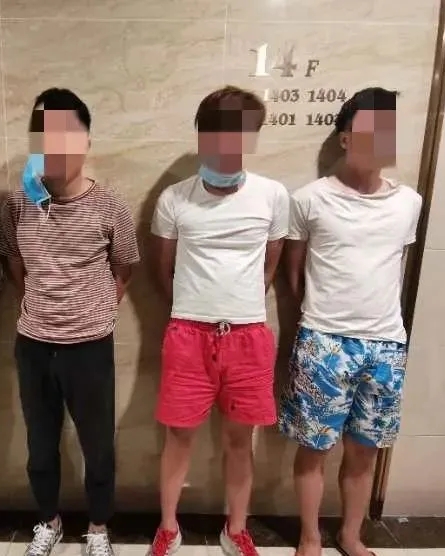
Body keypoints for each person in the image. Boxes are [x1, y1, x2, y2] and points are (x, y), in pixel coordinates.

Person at [278, 87, 423, 556]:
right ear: (345, 138)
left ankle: (351, 535)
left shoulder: (409, 202)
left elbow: (395, 266)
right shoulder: (309, 199)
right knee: (314, 448)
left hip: (386, 344)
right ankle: (309, 537)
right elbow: (293, 276)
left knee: (365, 450)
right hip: (324, 340)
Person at [0, 88, 140, 556]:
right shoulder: (17, 205)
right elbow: (15, 264)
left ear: (86, 141)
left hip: (90, 346)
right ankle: (48, 521)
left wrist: (94, 309)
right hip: (33, 344)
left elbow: (124, 268)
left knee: (98, 445)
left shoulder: (111, 207)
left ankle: (98, 527)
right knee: (40, 444)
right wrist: (43, 304)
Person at [148, 85, 290, 556]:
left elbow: (270, 266)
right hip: (187, 333)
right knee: (178, 436)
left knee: (240, 440)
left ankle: (237, 528)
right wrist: (196, 308)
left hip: (248, 336)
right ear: (203, 134)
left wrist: (238, 305)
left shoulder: (273, 196)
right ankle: (168, 526)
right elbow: (161, 269)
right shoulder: (174, 198)